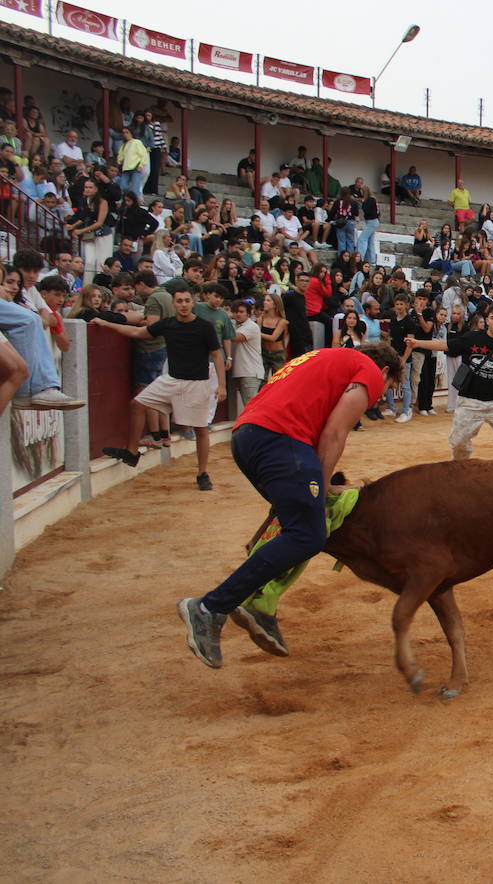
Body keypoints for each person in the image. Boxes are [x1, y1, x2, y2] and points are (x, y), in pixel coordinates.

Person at [174, 343, 400, 668]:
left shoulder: (322, 357)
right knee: (307, 534)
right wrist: (322, 487)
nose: (379, 395)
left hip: (247, 438)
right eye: (388, 387)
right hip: (281, 441)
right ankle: (209, 608)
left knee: (298, 524)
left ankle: (261, 607)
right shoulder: (369, 372)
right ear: (385, 371)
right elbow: (334, 434)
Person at [95, 284, 225, 491]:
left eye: (187, 301)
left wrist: (222, 386)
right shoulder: (168, 324)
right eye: (179, 301)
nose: (183, 305)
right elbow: (137, 332)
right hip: (172, 380)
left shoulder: (204, 327)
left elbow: (217, 355)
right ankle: (131, 452)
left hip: (197, 383)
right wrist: (107, 324)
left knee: (201, 429)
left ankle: (202, 473)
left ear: (193, 302)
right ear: (173, 303)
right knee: (137, 404)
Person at [442, 302, 493, 459]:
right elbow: (446, 345)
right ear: (487, 320)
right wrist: (417, 343)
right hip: (469, 402)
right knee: (458, 443)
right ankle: (461, 468)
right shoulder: (472, 338)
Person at [228, 300, 264, 407]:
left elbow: (234, 337)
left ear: (248, 314)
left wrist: (223, 320)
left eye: (241, 312)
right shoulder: (234, 325)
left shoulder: (252, 326)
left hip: (250, 373)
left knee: (250, 407)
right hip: (240, 372)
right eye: (236, 312)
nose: (238, 314)